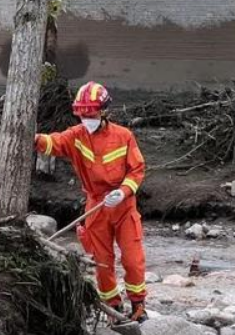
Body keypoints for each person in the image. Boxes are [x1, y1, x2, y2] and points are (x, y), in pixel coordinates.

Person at [34, 81, 148, 322]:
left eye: (91, 113)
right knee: (102, 261)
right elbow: (53, 142)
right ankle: (113, 309)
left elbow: (137, 169)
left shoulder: (124, 136)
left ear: (104, 111)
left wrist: (124, 191)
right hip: (96, 206)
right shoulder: (76, 137)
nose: (86, 118)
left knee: (132, 258)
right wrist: (32, 138)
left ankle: (138, 306)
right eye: (82, 114)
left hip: (123, 205)